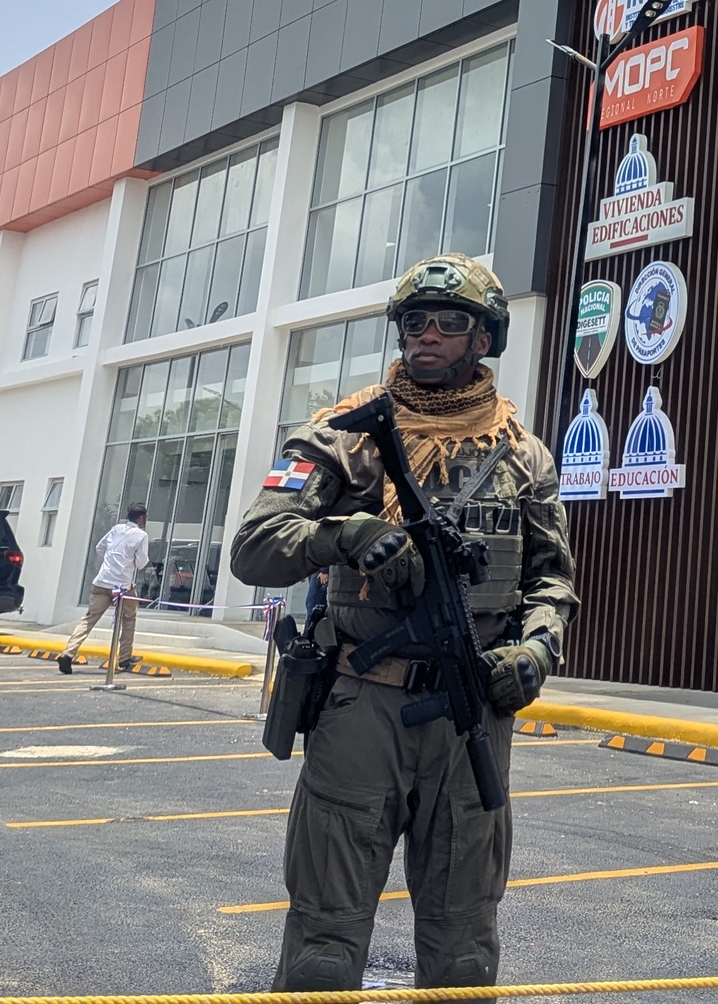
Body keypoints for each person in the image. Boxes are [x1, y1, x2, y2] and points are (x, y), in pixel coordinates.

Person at [230, 254, 576, 993]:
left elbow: (552, 581)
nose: (428, 333)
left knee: (464, 950)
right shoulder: (343, 437)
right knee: (323, 946)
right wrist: (346, 535)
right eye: (415, 320)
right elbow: (255, 547)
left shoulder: (523, 455)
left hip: (471, 710)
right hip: (362, 706)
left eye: (451, 322)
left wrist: (536, 651)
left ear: (483, 339)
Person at [58, 503, 151, 675]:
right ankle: (124, 658)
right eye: (145, 517)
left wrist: (108, 564)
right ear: (140, 518)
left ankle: (68, 653)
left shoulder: (116, 529)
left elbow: (99, 548)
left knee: (89, 619)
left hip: (102, 581)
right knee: (128, 619)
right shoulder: (141, 535)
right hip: (122, 586)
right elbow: (141, 563)